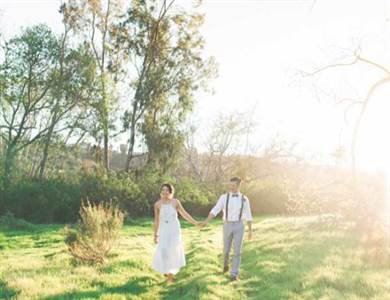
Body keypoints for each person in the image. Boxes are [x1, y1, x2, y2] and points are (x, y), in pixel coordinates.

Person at [202, 177, 253, 281]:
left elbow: (248, 215)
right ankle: (225, 266)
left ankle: (234, 274)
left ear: (239, 186)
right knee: (226, 250)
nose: (231, 187)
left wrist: (250, 231)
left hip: (239, 225)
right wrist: (206, 221)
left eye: (233, 185)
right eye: (230, 185)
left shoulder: (244, 199)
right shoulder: (224, 197)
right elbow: (215, 209)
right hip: (227, 224)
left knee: (237, 251)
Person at [152, 183, 200, 282]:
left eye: (167, 190)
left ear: (170, 191)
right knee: (163, 250)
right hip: (163, 228)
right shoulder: (157, 204)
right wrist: (155, 235)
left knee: (173, 250)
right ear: (161, 192)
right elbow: (156, 220)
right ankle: (166, 269)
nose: (165, 192)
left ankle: (170, 275)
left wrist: (195, 222)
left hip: (174, 229)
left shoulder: (175, 202)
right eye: (163, 190)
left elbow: (184, 214)